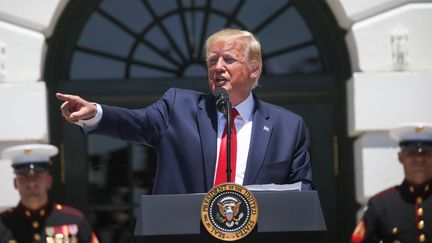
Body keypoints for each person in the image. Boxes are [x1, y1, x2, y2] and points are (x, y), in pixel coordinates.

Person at [56, 28, 314, 194]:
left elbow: (302, 192)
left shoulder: (287, 127)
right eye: (212, 61)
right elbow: (136, 122)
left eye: (229, 60)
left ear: (254, 69)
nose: (218, 67)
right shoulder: (178, 107)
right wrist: (95, 113)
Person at [0, 144, 99, 243]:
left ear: (49, 181)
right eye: (24, 177)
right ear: (15, 183)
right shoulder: (3, 224)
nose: (31, 184)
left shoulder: (74, 220)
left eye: (37, 176)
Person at [351, 122, 432, 243]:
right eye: (411, 154)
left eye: (425, 153)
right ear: (400, 157)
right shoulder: (381, 205)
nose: (419, 160)